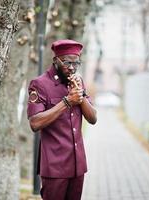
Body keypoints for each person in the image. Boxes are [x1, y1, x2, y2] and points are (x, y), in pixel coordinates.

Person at [27, 39, 97, 200]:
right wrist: (67, 101)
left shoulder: (77, 82)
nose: (72, 68)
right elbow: (35, 123)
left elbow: (93, 119)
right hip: (54, 167)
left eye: (76, 63)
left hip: (78, 166)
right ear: (55, 61)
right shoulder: (40, 84)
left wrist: (80, 96)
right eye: (67, 63)